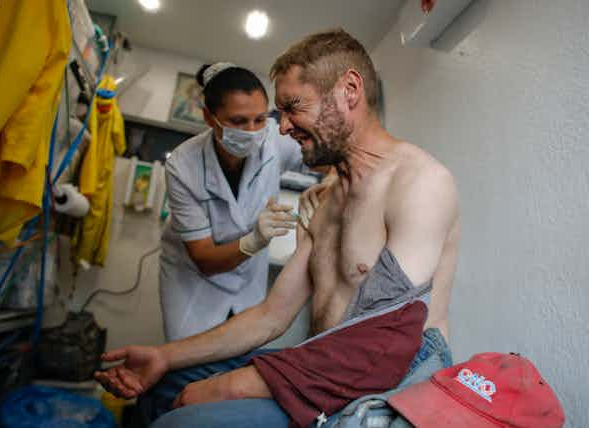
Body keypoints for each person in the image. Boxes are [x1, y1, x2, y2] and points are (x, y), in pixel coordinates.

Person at [95, 29, 461, 428]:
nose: (281, 128)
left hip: (388, 392)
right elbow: (271, 315)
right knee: (172, 398)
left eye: (292, 107)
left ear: (349, 90)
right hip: (327, 386)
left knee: (180, 421)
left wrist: (232, 386)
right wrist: (165, 356)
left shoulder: (420, 182)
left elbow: (383, 343)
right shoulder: (328, 200)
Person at [158, 62, 307, 341]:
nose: (252, 131)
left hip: (248, 279)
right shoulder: (183, 166)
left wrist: (334, 178)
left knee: (239, 356)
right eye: (239, 121)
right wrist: (254, 241)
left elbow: (323, 157)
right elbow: (204, 258)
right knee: (184, 360)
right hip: (194, 282)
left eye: (260, 119)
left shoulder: (274, 138)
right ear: (208, 117)